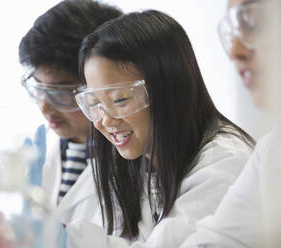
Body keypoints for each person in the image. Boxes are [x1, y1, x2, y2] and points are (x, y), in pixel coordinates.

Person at [66, 9, 255, 247]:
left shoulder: (224, 165)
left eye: (120, 100)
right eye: (94, 103)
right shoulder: (136, 161)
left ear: (168, 89)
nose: (105, 121)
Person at [181, 0, 281, 247]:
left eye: (253, 22)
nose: (235, 51)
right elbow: (222, 238)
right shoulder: (272, 149)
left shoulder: (224, 157)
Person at [18, 0, 122, 225]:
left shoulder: (139, 160)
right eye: (39, 88)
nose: (45, 107)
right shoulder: (31, 152)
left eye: (61, 92)